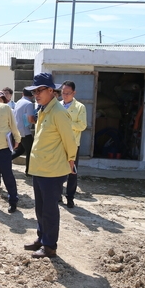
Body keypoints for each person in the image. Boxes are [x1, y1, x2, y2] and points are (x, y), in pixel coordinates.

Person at [23, 73, 76, 258]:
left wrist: (71, 161)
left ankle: (50, 246)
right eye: (35, 91)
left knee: (49, 210)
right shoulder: (44, 110)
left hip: (53, 170)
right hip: (40, 168)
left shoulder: (59, 113)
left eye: (40, 90)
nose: (36, 94)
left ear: (51, 91)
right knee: (40, 208)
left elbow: (69, 140)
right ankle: (41, 238)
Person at [60, 80, 87, 209]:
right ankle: (58, 195)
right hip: (58, 144)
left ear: (74, 93)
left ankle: (70, 197)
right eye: (63, 92)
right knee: (58, 170)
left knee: (72, 172)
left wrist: (67, 124)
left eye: (68, 93)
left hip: (73, 144)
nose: (65, 95)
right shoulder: (58, 105)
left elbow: (82, 125)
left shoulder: (80, 107)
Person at [11, 87, 36, 177]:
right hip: (25, 131)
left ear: (22, 94)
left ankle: (3, 162)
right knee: (31, 151)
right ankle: (29, 171)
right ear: (32, 95)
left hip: (17, 130)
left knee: (20, 150)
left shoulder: (18, 102)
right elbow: (30, 118)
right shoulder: (29, 104)